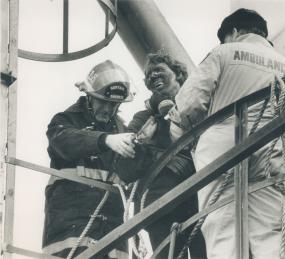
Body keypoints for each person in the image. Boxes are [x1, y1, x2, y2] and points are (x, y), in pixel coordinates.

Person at [170, 8, 285, 259]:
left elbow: (190, 105)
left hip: (223, 143)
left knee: (222, 223)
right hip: (274, 146)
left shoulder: (223, 52)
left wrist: (186, 135)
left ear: (234, 32)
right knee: (270, 227)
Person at [115, 51, 207, 259]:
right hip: (162, 203)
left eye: (159, 70)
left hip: (201, 197)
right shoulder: (144, 118)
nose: (153, 76)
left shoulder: (202, 106)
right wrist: (144, 146)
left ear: (178, 74)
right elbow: (123, 167)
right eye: (149, 74)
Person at [42, 60, 136, 259]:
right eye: (103, 101)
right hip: (71, 231)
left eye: (113, 104)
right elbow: (64, 142)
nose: (108, 109)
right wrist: (105, 140)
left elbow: (137, 171)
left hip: (112, 230)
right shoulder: (65, 121)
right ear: (89, 96)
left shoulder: (121, 131)